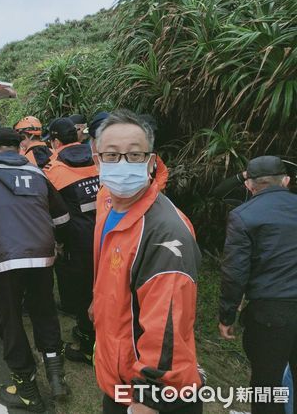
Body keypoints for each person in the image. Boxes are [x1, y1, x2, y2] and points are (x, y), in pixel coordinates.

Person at [90, 109, 203, 414]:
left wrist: (150, 399)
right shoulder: (107, 200)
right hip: (118, 377)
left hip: (148, 393)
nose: (122, 164)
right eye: (112, 155)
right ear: (97, 160)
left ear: (152, 162)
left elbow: (168, 326)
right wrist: (97, 303)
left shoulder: (166, 232)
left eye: (135, 155)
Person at [0, 127, 71, 412]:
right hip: (41, 258)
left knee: (10, 320)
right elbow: (61, 218)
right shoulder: (39, 174)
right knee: (43, 311)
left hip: (3, 260)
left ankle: (27, 389)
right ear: (22, 147)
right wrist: (55, 244)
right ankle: (57, 377)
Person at [219, 155, 297, 414]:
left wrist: (227, 315)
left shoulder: (243, 215)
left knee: (267, 384)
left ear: (249, 186)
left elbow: (235, 272)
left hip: (270, 316)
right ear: (286, 181)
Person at [43, 117, 99, 365]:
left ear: (54, 141)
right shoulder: (99, 158)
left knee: (84, 292)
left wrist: (59, 243)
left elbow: (51, 212)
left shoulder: (53, 170)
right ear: (77, 136)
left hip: (78, 242)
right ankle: (102, 337)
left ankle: (88, 345)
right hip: (112, 236)